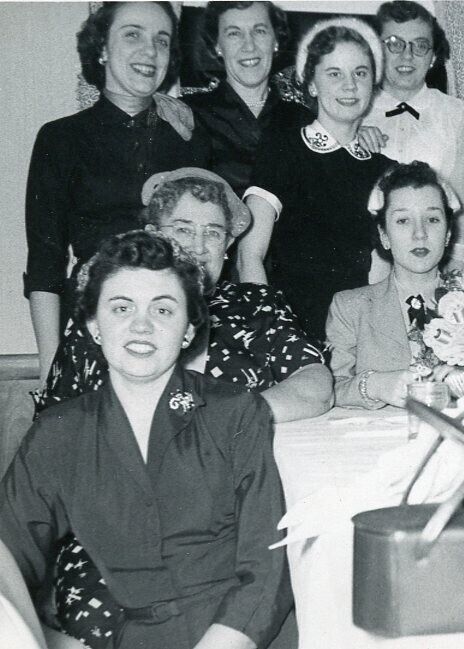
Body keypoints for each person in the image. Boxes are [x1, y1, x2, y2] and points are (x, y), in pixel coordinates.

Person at [1, 231, 291, 649]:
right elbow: (7, 550)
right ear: (93, 325)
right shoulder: (58, 433)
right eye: (121, 308)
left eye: (163, 309)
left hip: (246, 637)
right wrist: (40, 640)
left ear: (189, 330)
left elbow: (268, 570)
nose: (142, 325)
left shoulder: (236, 413)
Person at [35, 167, 332, 423]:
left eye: (213, 233)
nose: (199, 247)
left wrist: (226, 417)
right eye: (183, 230)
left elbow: (315, 385)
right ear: (153, 235)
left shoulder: (257, 306)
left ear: (227, 244)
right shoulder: (106, 309)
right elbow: (54, 421)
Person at [25, 2, 210, 382]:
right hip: (92, 323)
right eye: (132, 35)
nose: (149, 51)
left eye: (162, 40)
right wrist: (50, 366)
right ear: (102, 49)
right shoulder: (60, 139)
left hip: (170, 326)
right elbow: (45, 263)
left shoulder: (190, 139)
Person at [237, 18, 394, 341]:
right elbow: (249, 254)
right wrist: (274, 335)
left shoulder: (385, 170)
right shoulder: (284, 147)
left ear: (374, 84)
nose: (349, 86)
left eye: (360, 73)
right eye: (334, 74)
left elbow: (381, 273)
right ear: (311, 84)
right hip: (287, 325)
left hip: (354, 331)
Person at [360, 0, 464, 278]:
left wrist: (459, 270)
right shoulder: (353, 110)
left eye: (420, 45)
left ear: (434, 56)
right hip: (364, 265)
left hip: (433, 263)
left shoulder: (460, 114)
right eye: (394, 43)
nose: (407, 56)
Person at [326, 162, 459, 408]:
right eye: (402, 221)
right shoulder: (350, 307)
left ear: (448, 234)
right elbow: (328, 389)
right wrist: (374, 385)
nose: (420, 234)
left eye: (432, 219)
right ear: (384, 235)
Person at [184, 1, 314, 196]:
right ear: (218, 45)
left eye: (259, 31)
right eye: (234, 33)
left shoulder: (303, 120)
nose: (249, 45)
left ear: (276, 41)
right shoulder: (189, 115)